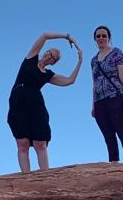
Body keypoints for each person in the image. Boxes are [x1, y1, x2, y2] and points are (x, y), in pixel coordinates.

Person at [7, 32, 82, 173]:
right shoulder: (30, 58)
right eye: (48, 52)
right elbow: (45, 36)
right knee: (22, 143)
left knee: (40, 143)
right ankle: (26, 176)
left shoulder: (48, 74)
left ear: (54, 62)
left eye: (52, 57)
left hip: (36, 106)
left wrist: (80, 61)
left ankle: (45, 174)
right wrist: (67, 36)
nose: (48, 55)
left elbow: (69, 81)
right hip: (18, 103)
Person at [90, 25, 123, 163]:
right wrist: (93, 105)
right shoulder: (93, 60)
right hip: (99, 100)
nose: (101, 38)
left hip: (114, 96)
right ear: (95, 39)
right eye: (98, 36)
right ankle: (114, 162)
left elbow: (122, 74)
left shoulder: (116, 53)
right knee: (107, 133)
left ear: (109, 37)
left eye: (104, 35)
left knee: (121, 127)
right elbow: (94, 82)